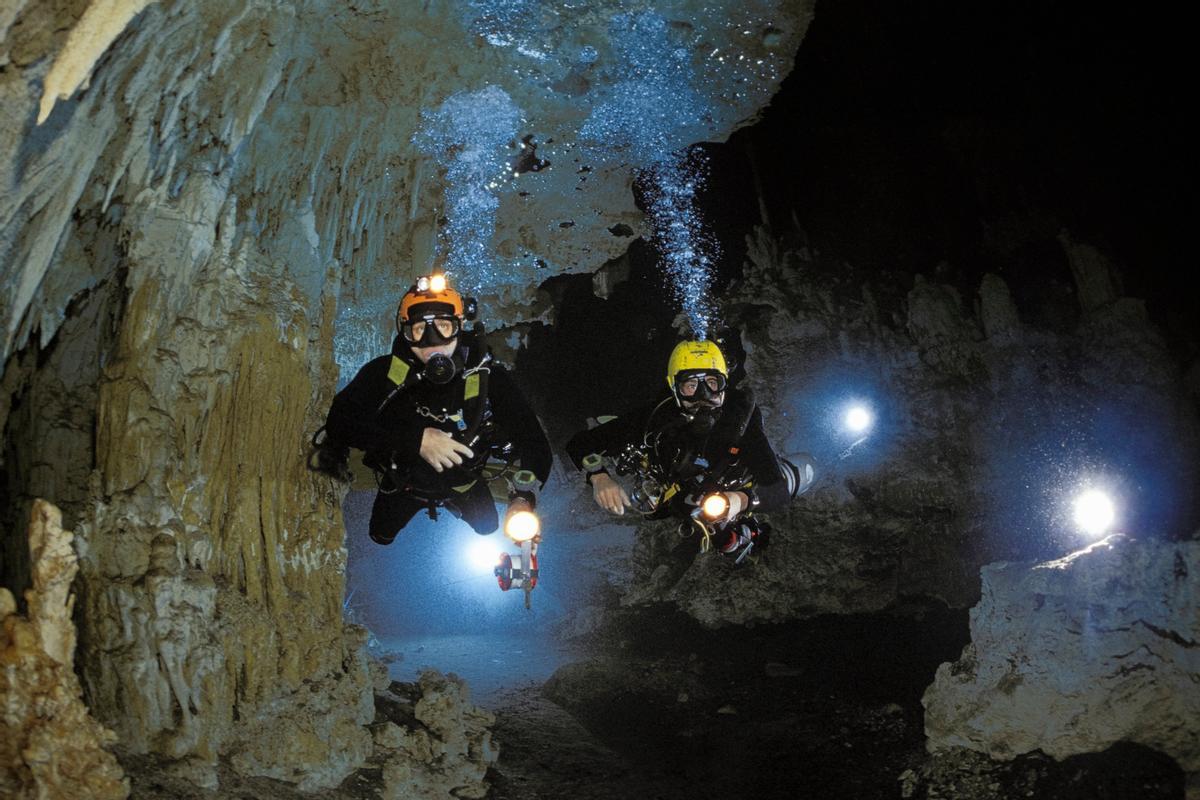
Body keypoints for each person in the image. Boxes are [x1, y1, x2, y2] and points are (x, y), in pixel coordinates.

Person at [317, 274, 552, 544]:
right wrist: (416, 440)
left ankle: (452, 502)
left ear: (459, 326)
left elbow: (534, 442)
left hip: (463, 481)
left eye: (443, 326)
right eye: (420, 329)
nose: (432, 341)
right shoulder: (384, 373)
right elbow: (339, 421)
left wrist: (523, 500)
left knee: (488, 527)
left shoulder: (489, 379)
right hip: (404, 481)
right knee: (380, 535)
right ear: (406, 333)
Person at [565, 338, 811, 559]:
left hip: (731, 485)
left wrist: (738, 500)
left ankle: (741, 533)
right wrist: (598, 476)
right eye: (691, 385)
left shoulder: (739, 421)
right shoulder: (656, 417)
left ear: (724, 384)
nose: (703, 395)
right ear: (674, 387)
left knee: (724, 537)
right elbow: (579, 444)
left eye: (712, 383)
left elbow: (777, 490)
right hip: (677, 494)